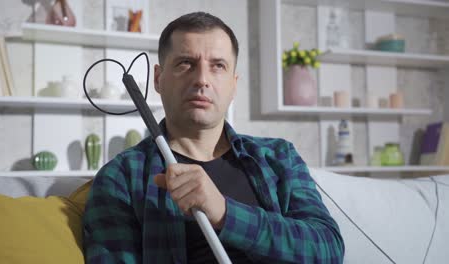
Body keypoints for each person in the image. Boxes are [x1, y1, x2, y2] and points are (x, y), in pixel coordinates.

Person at [83, 12, 344, 263]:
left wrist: (225, 213)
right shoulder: (121, 177)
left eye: (218, 66)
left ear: (234, 84)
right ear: (159, 80)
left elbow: (328, 250)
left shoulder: (278, 157)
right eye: (186, 63)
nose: (202, 79)